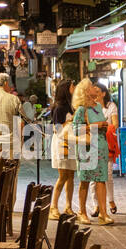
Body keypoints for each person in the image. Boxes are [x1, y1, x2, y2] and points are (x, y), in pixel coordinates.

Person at [73, 78, 113, 225]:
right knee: (85, 180)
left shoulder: (97, 106)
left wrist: (103, 126)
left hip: (101, 146)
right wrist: (96, 125)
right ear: (85, 91)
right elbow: (76, 129)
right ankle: (82, 212)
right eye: (91, 86)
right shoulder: (81, 109)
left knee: (101, 180)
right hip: (87, 148)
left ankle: (103, 213)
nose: (94, 88)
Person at [48, 79, 76, 219]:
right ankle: (53, 206)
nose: (74, 87)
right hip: (61, 143)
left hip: (71, 143)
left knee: (71, 175)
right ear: (66, 89)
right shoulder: (59, 107)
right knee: (63, 176)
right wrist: (70, 121)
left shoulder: (72, 106)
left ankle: (68, 206)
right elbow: (56, 128)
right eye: (72, 86)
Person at [90, 84, 119, 216]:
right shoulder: (90, 107)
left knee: (108, 174)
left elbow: (115, 124)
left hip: (107, 144)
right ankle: (96, 205)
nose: (94, 94)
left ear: (103, 93)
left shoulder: (110, 106)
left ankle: (111, 200)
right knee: (92, 177)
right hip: (92, 144)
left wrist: (103, 126)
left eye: (97, 91)